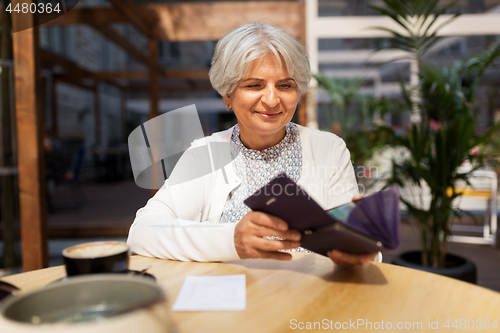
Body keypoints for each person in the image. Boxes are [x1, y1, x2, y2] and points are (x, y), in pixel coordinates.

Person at [127, 22, 379, 267]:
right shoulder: (206, 155)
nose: (271, 100)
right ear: (228, 95)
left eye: (285, 85)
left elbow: (359, 245)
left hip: (311, 298)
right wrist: (231, 239)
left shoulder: (329, 150)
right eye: (254, 85)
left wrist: (357, 249)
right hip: (232, 300)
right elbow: (143, 231)